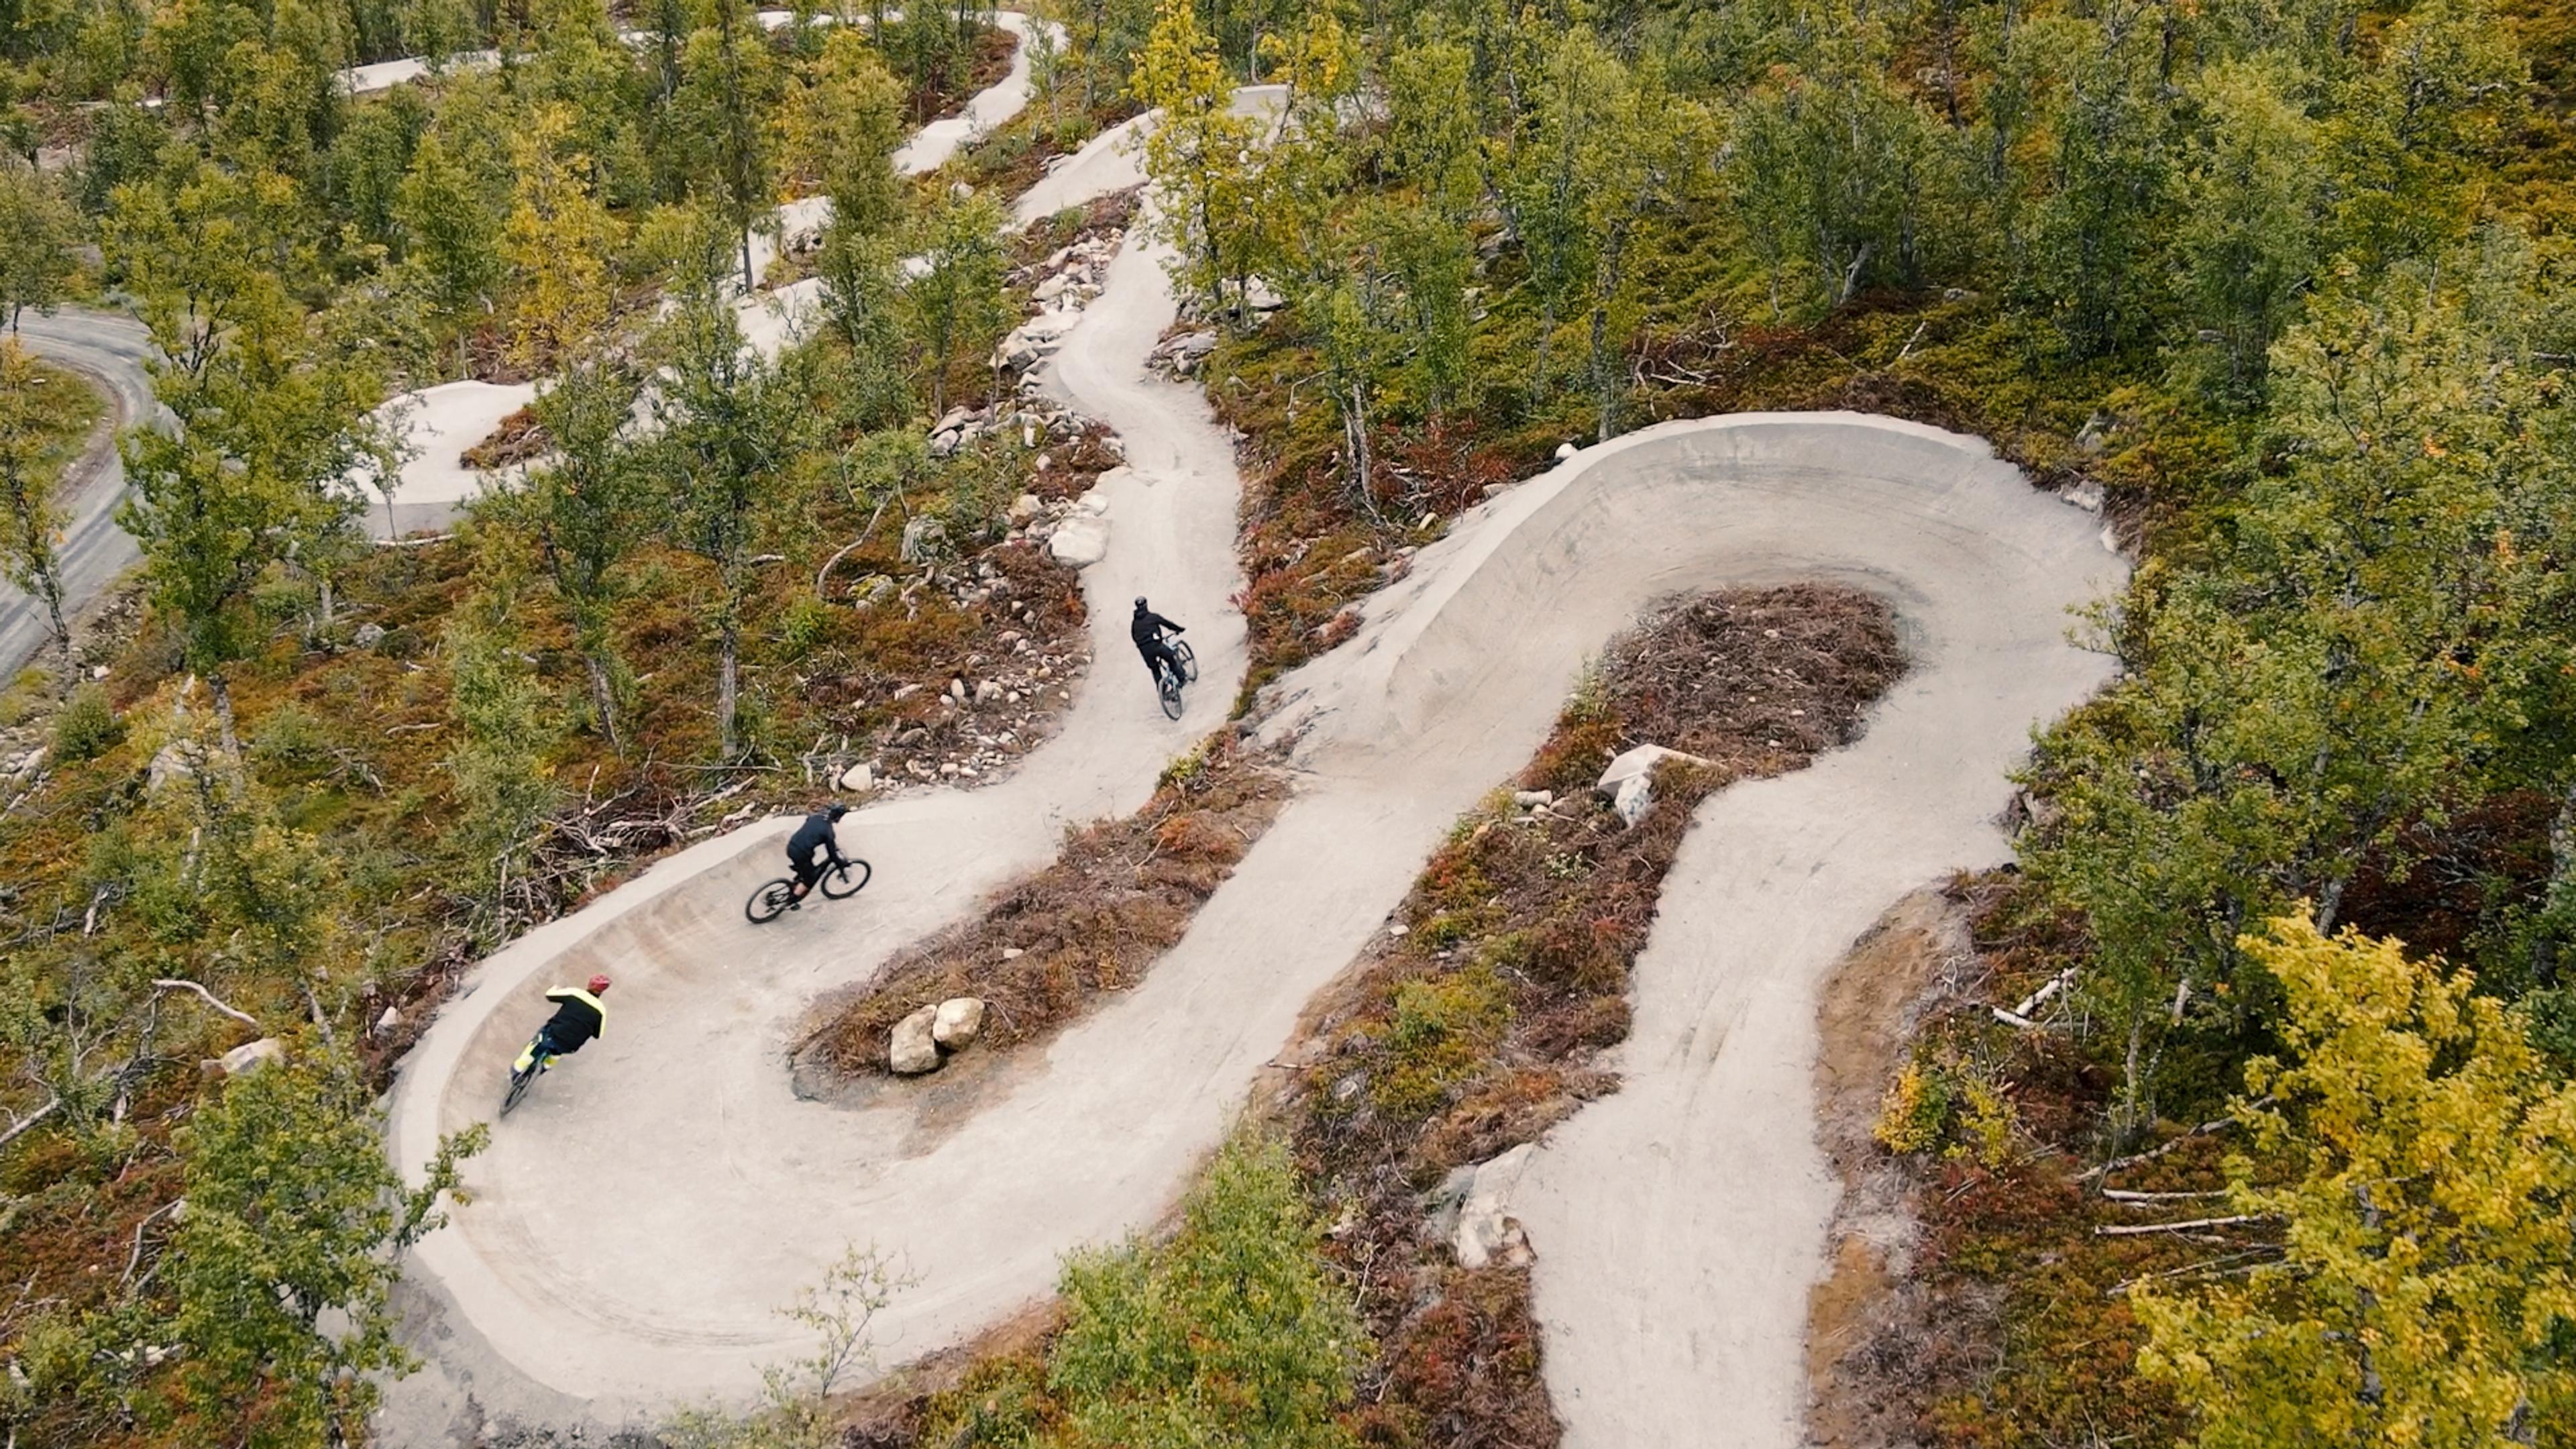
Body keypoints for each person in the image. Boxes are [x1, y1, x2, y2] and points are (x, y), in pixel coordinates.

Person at [515, 974, 610, 1075]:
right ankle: (546, 1067)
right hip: (571, 1045)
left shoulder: (575, 994)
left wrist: (556, 987)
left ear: (590, 984)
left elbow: (550, 995)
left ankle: (516, 1070)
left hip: (554, 1033)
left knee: (536, 1046)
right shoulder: (601, 1010)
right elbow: (598, 1035)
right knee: (559, 1049)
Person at [785, 802, 852, 907]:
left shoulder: (816, 817)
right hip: (801, 854)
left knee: (808, 863)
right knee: (810, 880)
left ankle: (798, 877)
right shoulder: (828, 832)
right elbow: (833, 855)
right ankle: (791, 901)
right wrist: (841, 863)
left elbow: (809, 823)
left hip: (791, 846)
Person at [1132, 596, 1186, 691]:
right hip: (1157, 646)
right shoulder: (1153, 617)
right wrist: (1179, 629)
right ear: (1146, 605)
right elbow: (1167, 624)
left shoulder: (1134, 623)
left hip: (1145, 651)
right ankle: (1182, 678)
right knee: (1170, 659)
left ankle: (1163, 692)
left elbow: (1134, 637)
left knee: (1155, 669)